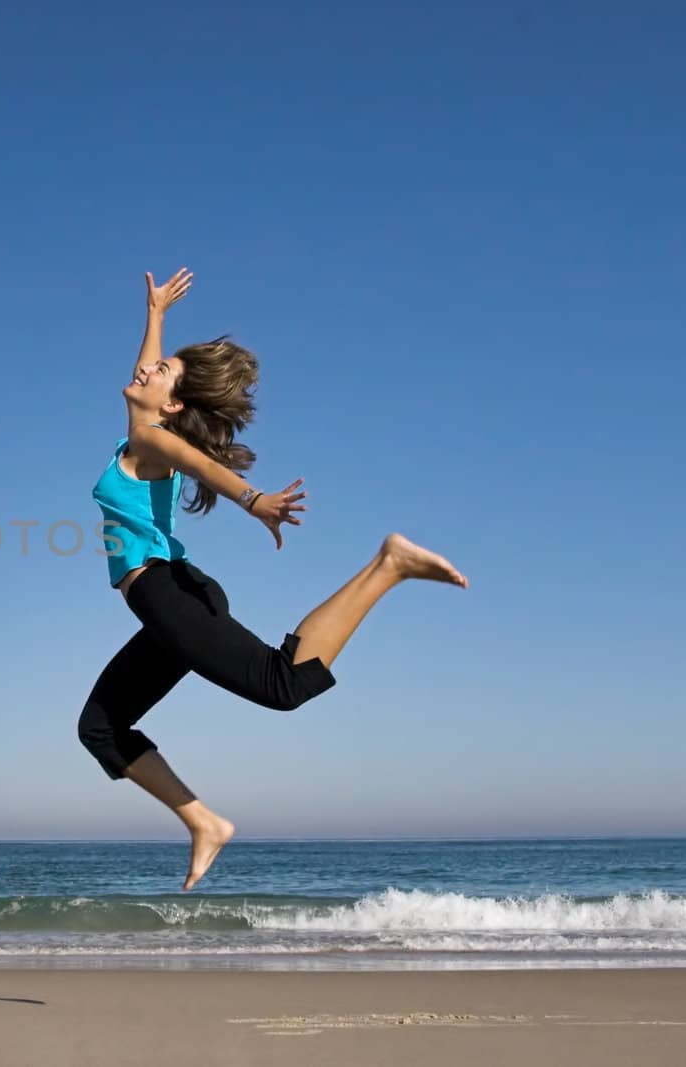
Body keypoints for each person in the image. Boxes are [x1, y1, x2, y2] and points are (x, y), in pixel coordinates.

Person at [77, 267, 468, 891]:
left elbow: (198, 459)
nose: (146, 370)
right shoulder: (146, 425)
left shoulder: (153, 439)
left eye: (162, 374)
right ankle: (205, 823)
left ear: (171, 404)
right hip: (165, 601)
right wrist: (155, 315)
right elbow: (151, 374)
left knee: (283, 687)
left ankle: (388, 565)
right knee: (99, 727)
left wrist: (252, 499)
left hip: (169, 594)